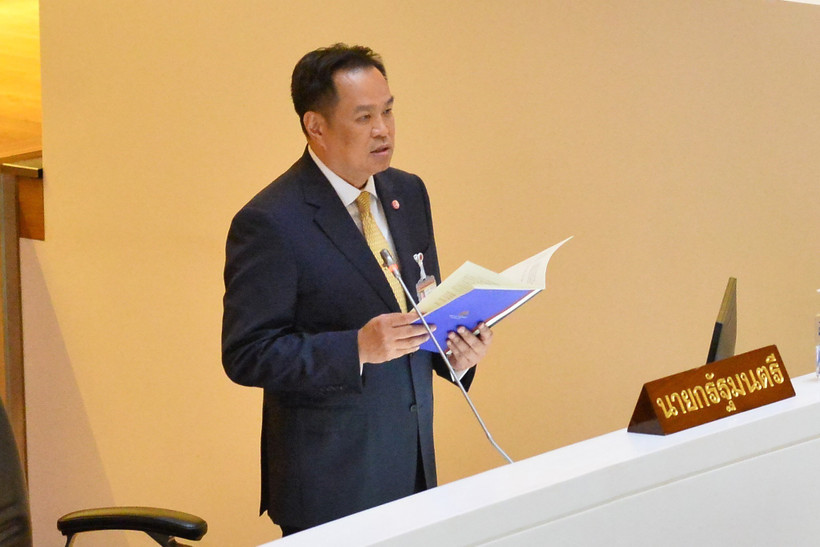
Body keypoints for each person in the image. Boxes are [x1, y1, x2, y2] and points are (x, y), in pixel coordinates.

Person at [221, 43, 492, 535]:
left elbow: (419, 304)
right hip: (329, 479)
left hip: (411, 464)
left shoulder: (407, 192)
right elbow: (247, 354)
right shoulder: (271, 221)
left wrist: (456, 354)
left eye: (388, 111)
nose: (383, 129)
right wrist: (357, 348)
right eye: (364, 116)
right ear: (316, 126)